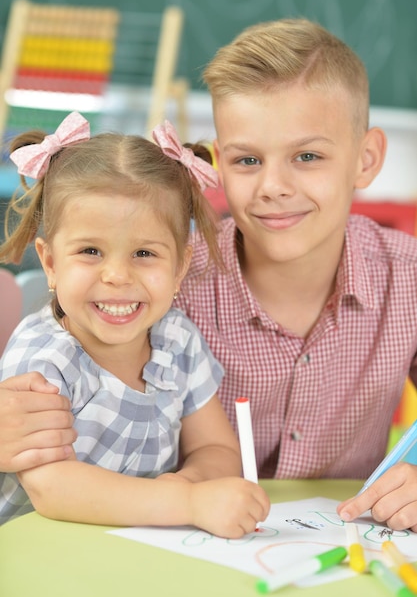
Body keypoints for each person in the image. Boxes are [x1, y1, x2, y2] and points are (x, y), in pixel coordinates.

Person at [2, 18, 417, 532]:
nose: (273, 186)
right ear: (220, 164)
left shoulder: (408, 278)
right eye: (247, 160)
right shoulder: (155, 278)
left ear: (366, 157)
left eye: (308, 156)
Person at [0, 111, 269, 535]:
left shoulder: (177, 339)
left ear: (180, 267)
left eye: (144, 254)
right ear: (50, 263)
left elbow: (215, 446)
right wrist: (186, 502)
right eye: (90, 251)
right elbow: (53, 488)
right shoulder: (44, 359)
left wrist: (190, 484)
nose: (117, 276)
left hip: (136, 551)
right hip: (34, 555)